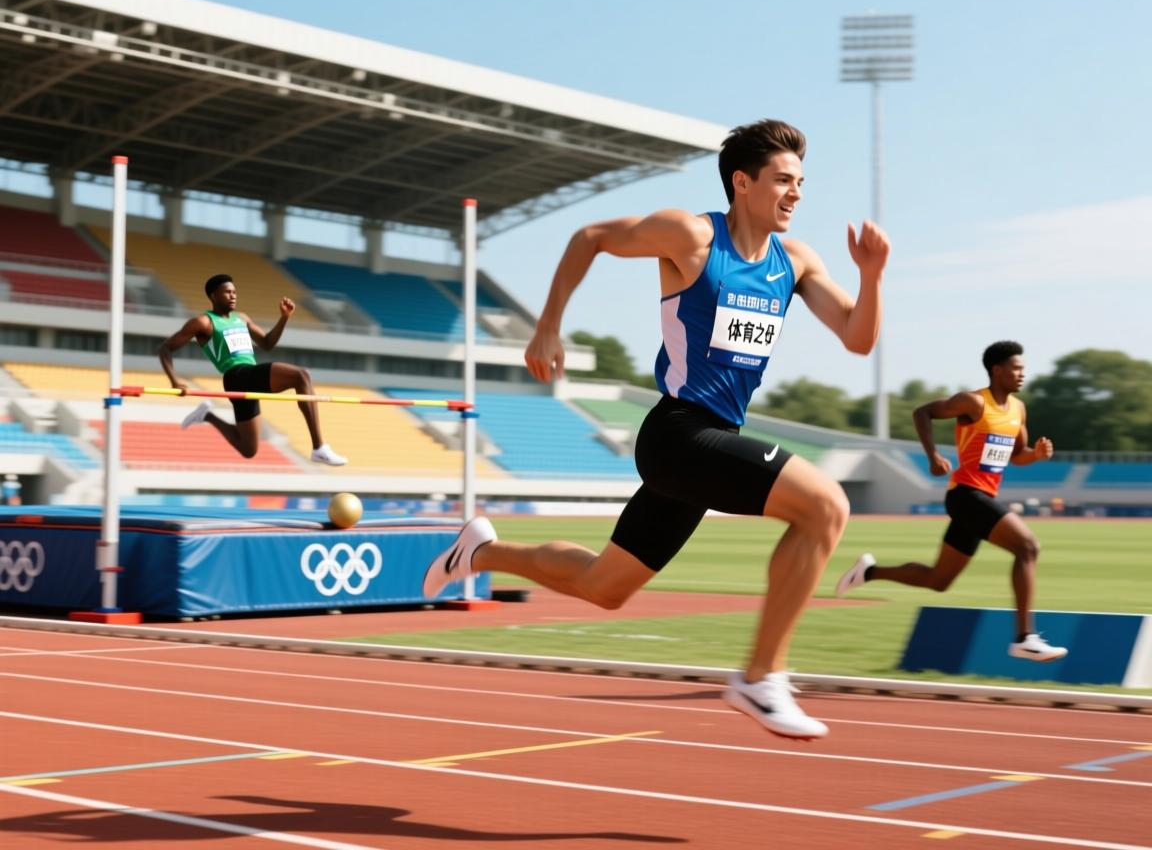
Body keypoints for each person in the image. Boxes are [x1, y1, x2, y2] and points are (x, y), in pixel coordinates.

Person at [422, 119, 890, 740]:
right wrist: (547, 327)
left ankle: (479, 550)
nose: (797, 193)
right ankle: (761, 675)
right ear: (742, 183)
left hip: (712, 443)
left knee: (604, 586)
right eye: (783, 180)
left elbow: (858, 339)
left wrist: (873, 275)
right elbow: (590, 236)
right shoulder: (692, 235)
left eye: (801, 182)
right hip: (677, 434)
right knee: (826, 506)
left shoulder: (795, 261)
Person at [836, 340, 1067, 662]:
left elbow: (1017, 456)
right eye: (1016, 369)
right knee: (1027, 547)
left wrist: (1037, 455)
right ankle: (1024, 637)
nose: (1021, 375)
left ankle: (869, 572)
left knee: (938, 580)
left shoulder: (1018, 410)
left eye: (1023, 369)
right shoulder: (972, 403)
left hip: (982, 498)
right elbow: (923, 412)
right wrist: (932, 455)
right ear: (997, 370)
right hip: (965, 495)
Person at [158, 273, 347, 466]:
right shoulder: (204, 322)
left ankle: (207, 416)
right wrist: (174, 381)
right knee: (301, 376)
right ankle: (319, 447)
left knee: (248, 449)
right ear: (213, 296)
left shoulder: (242, 318)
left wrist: (284, 319)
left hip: (248, 377)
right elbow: (165, 348)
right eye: (227, 292)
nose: (233, 296)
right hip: (236, 376)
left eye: (234, 292)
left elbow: (267, 343)